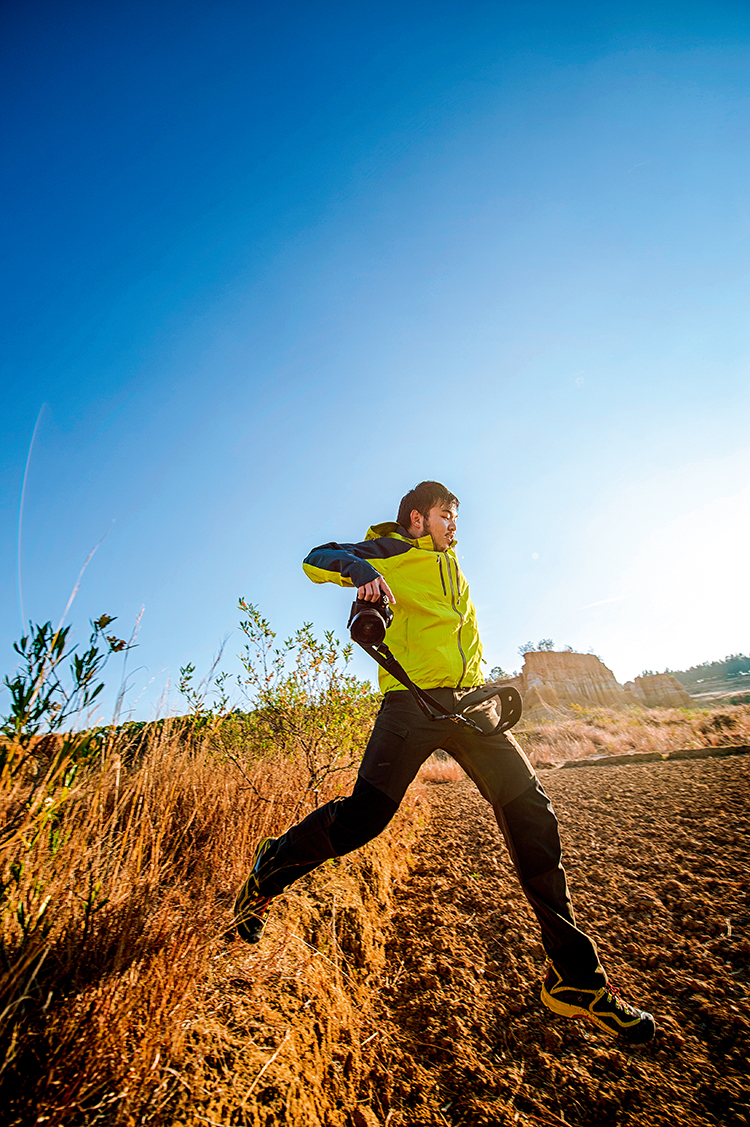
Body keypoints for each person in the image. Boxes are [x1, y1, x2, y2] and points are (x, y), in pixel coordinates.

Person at [234, 481, 655, 1044]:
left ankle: (577, 981)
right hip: (410, 705)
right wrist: (360, 574)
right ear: (416, 518)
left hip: (467, 704)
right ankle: (270, 871)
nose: (454, 525)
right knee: (366, 818)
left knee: (532, 812)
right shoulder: (390, 550)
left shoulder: (453, 567)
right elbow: (315, 559)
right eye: (445, 515)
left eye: (455, 517)